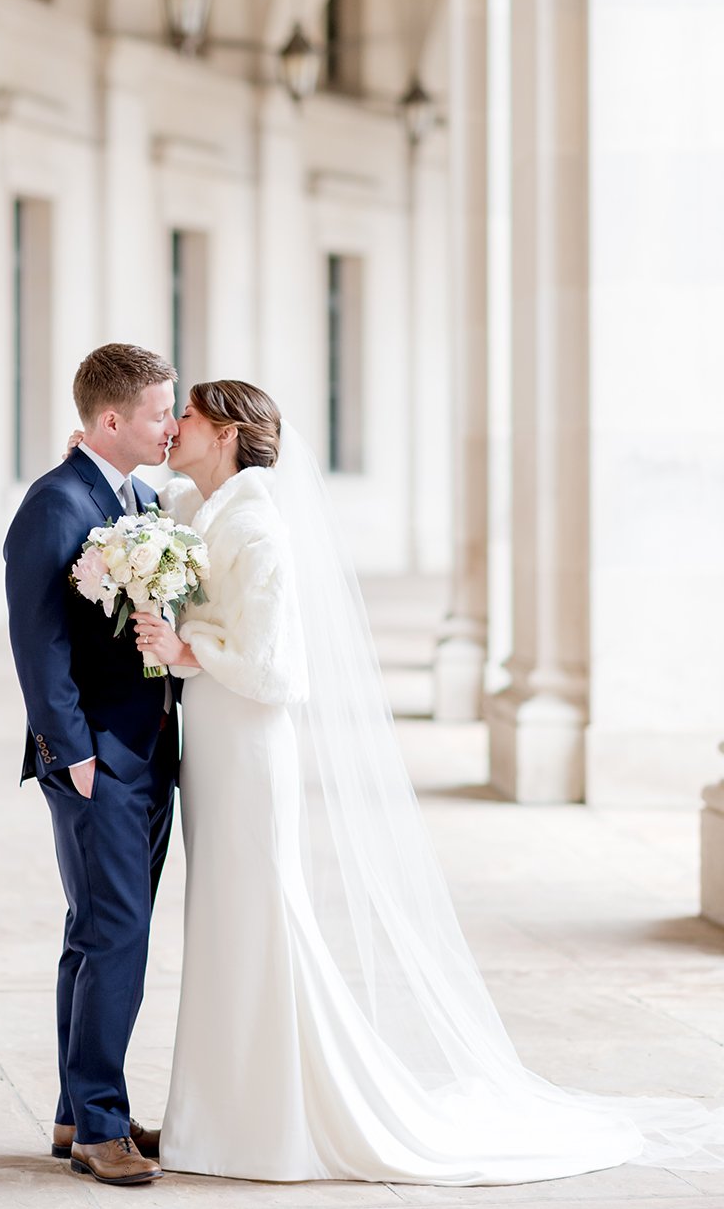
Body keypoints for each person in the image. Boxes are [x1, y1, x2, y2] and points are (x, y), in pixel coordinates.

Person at [130, 379, 724, 1185]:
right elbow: (161, 504)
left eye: (188, 417)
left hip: (246, 746)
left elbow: (280, 671)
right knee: (227, 925)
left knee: (257, 920)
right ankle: (222, 1114)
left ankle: (261, 1122)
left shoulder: (258, 524)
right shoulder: (216, 510)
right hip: (217, 746)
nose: (175, 429)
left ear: (229, 433)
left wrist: (186, 650)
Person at [3, 343, 180, 1188]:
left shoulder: (142, 496)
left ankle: (80, 1107)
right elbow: (36, 641)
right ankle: (101, 1128)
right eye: (158, 413)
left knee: (96, 933)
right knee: (118, 934)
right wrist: (70, 753)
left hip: (148, 749)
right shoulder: (55, 502)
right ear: (110, 420)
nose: (172, 426)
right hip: (95, 760)